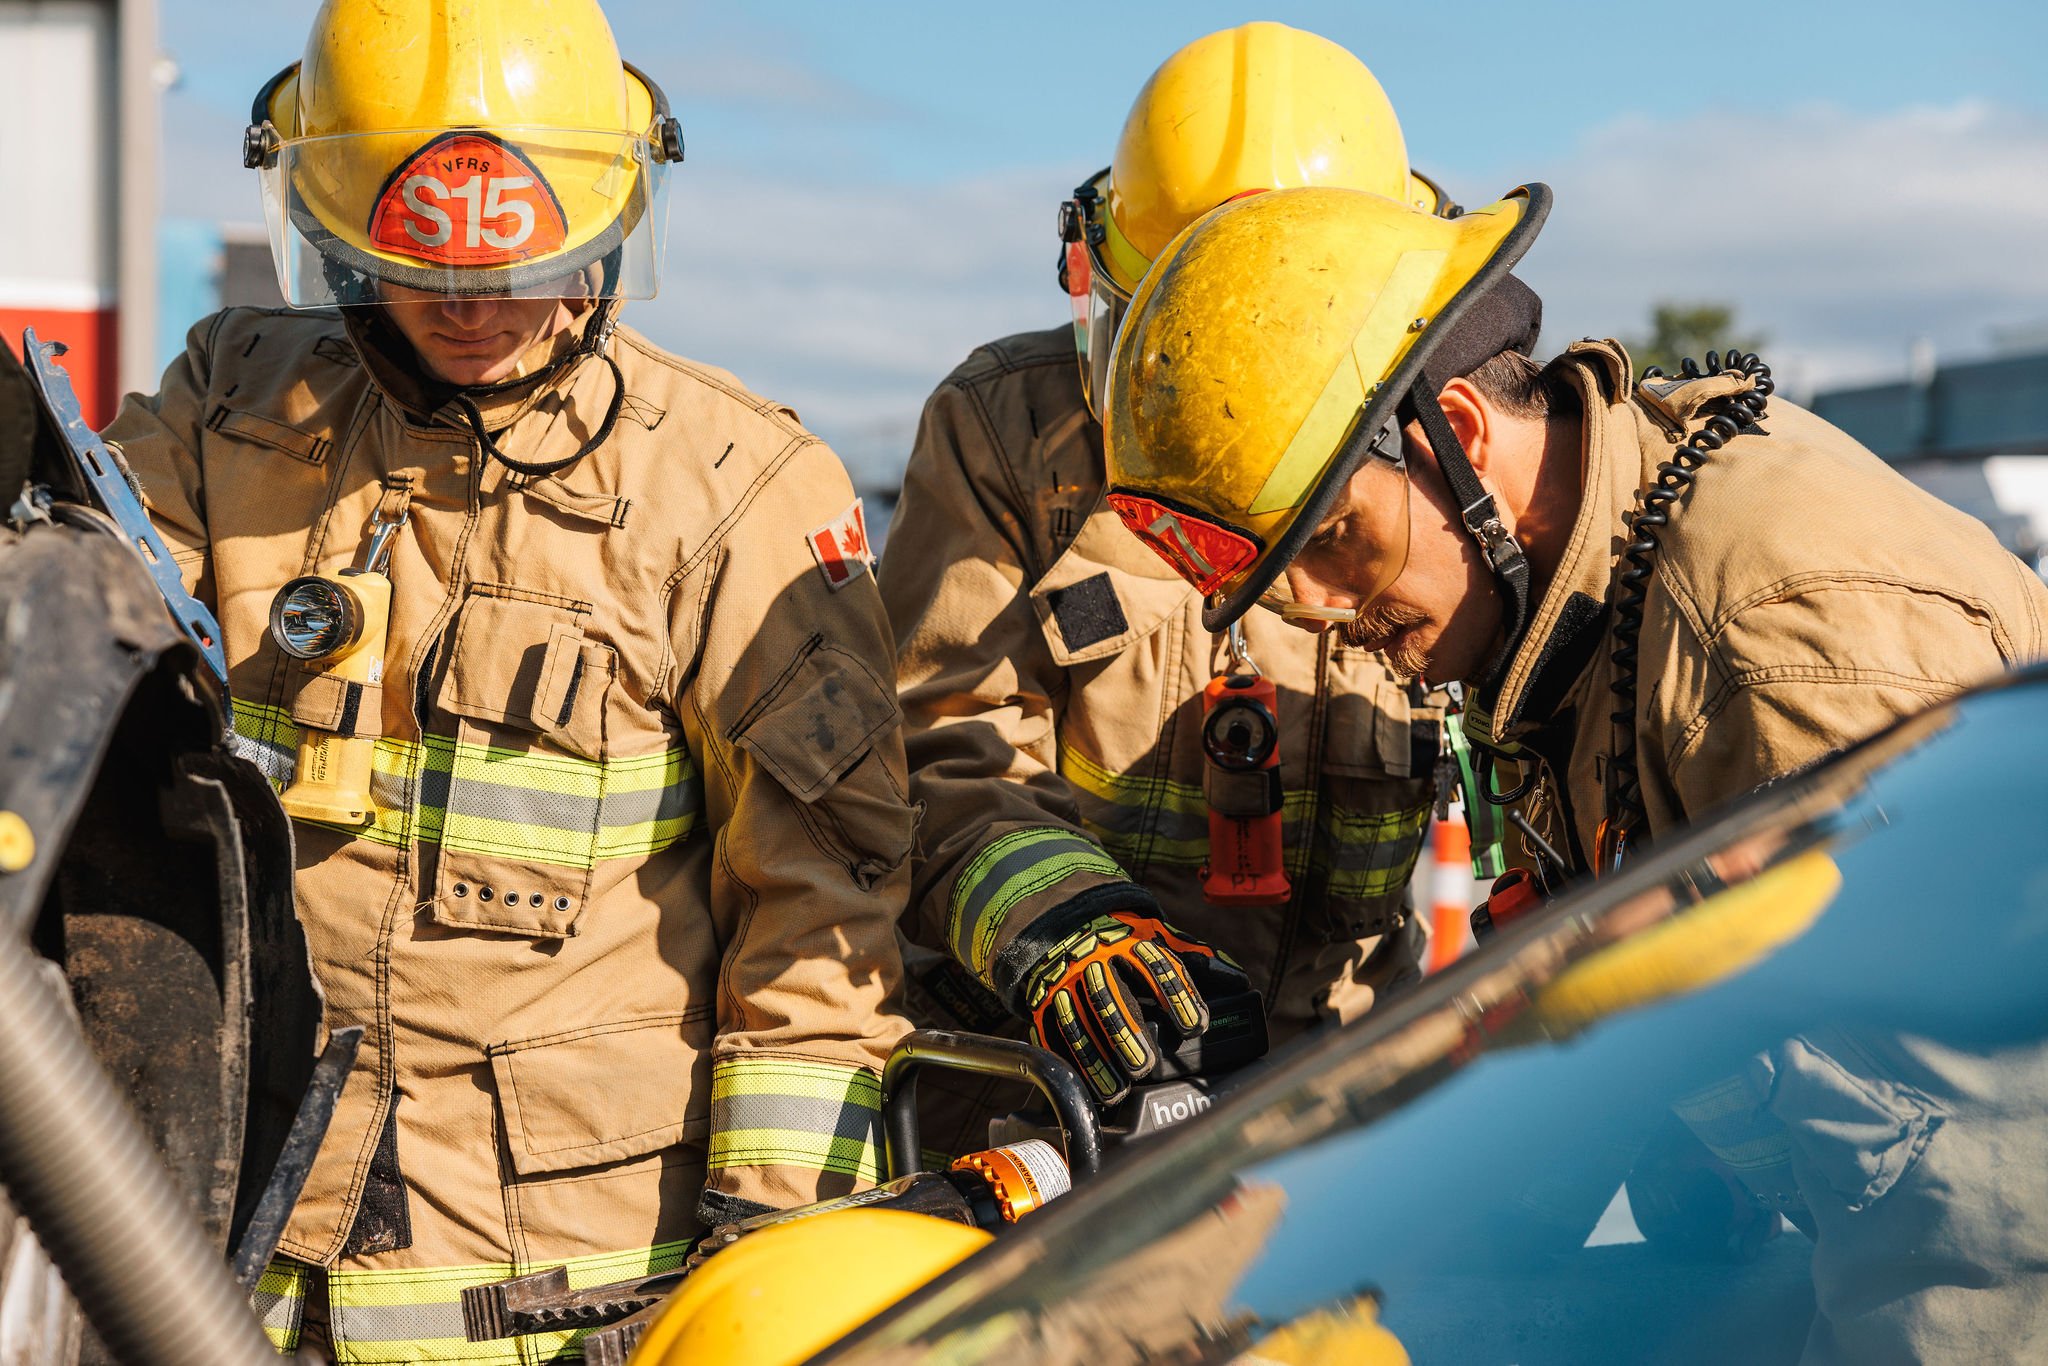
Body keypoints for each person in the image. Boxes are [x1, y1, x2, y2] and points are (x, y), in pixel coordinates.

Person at [1096, 180, 2048, 1361]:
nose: (1319, 609)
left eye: (1337, 536)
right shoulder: (1572, 607)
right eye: (1282, 570)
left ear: (1462, 431)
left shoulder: (1777, 642)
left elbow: (1984, 1203)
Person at [100, 2, 915, 1359]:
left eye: (515, 264)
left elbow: (820, 916)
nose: (471, 307)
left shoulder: (734, 490)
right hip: (221, 1261)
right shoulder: (228, 409)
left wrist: (764, 1272)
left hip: (571, 1302)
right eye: (416, 265)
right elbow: (75, 655)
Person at [881, 23, 1458, 1126]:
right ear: (1096, 282)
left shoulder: (1436, 465)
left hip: (1333, 1111)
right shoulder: (1007, 431)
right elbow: (933, 746)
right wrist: (1069, 932)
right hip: (1048, 1109)